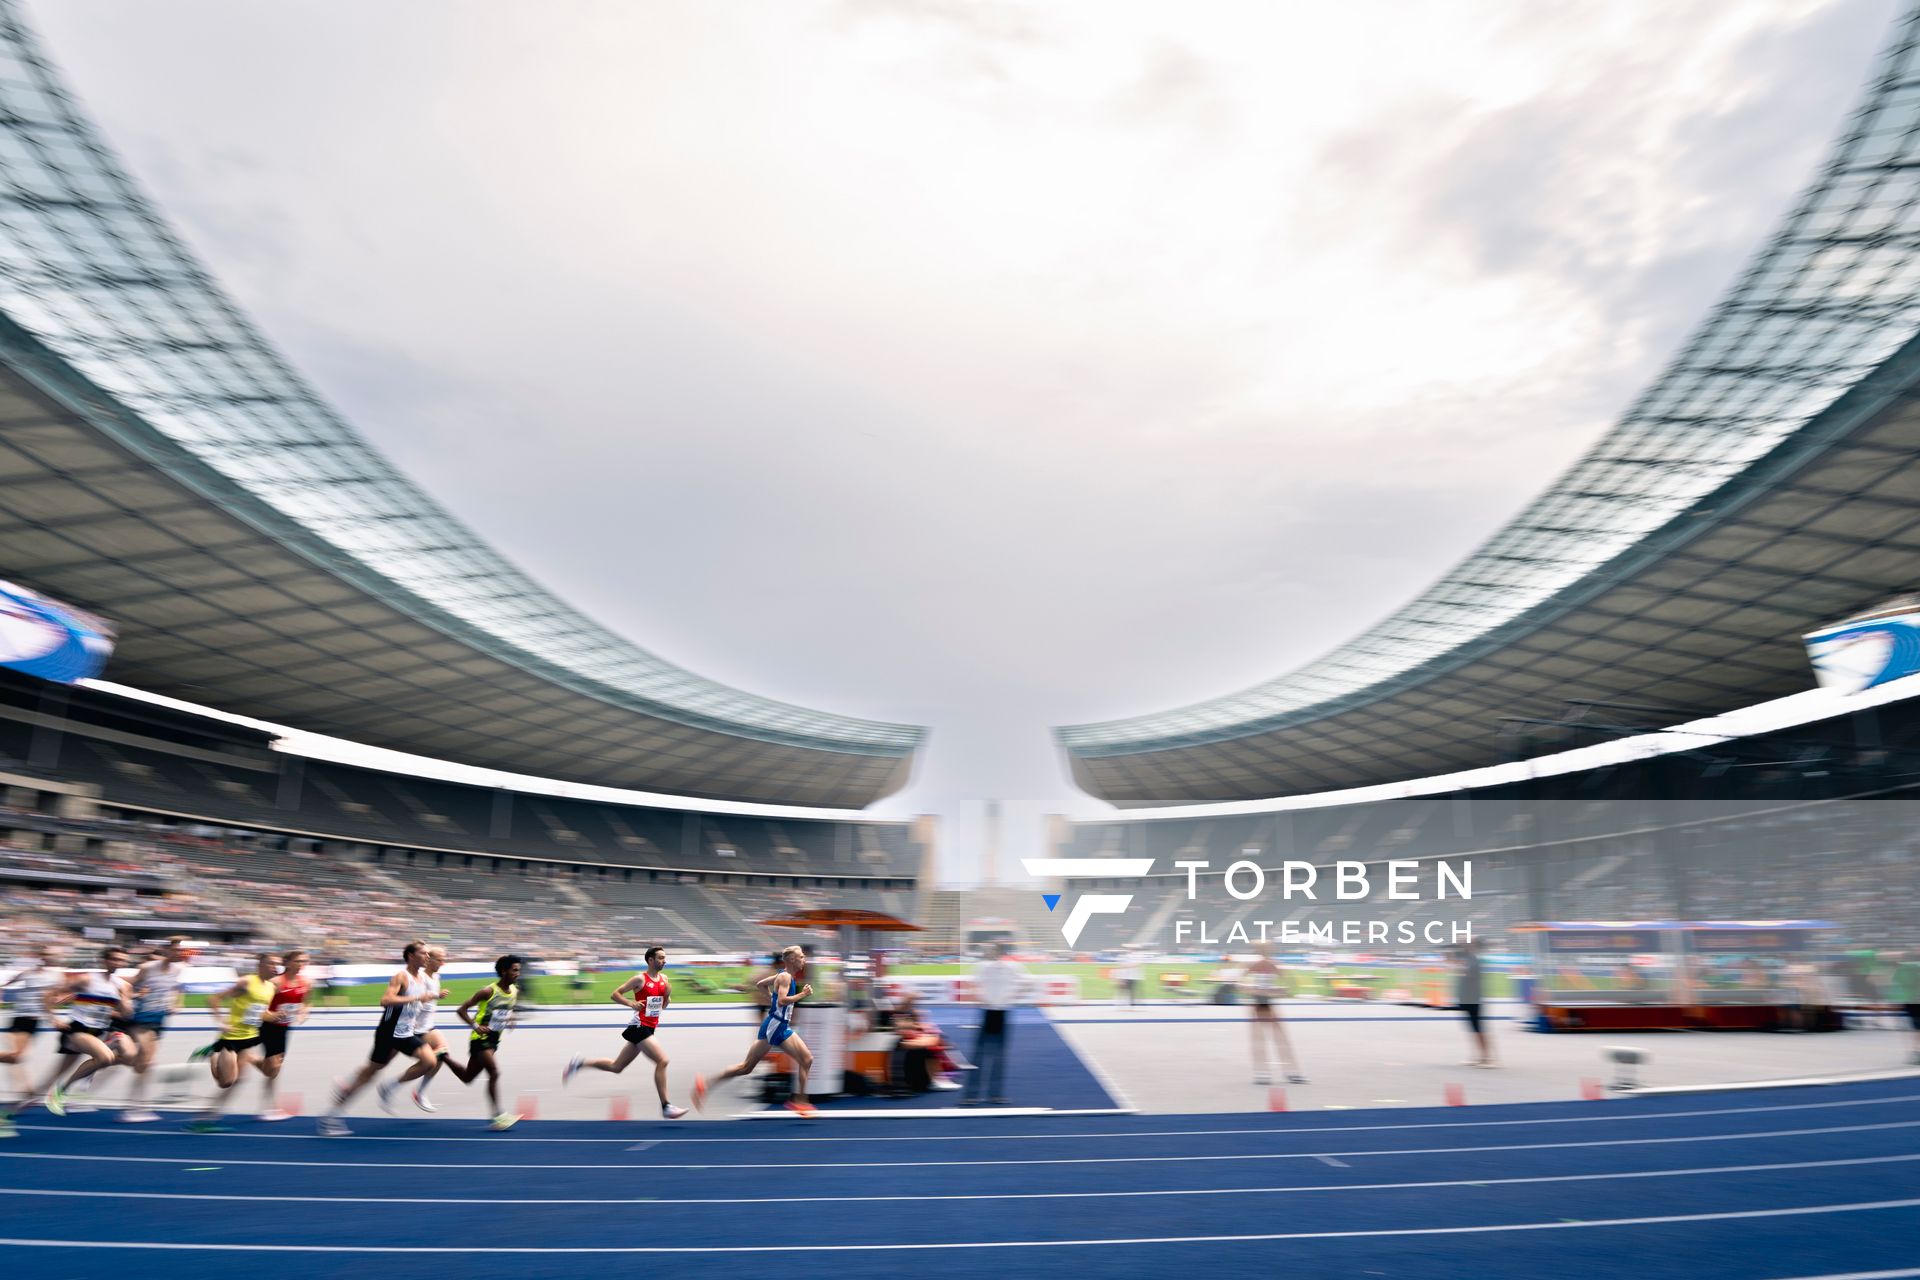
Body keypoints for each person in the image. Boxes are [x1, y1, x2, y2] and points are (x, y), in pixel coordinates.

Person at [319, 940, 445, 1136]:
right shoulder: (401, 976)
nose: (427, 957)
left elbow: (420, 1001)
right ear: (411, 956)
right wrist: (417, 999)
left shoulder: (421, 978)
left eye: (429, 954)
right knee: (373, 1073)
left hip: (405, 1032)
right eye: (423, 953)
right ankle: (331, 1116)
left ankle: (359, 1086)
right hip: (389, 1033)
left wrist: (431, 997)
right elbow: (385, 1001)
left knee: (425, 1061)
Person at [562, 946, 689, 1119]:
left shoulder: (664, 979)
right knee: (663, 1061)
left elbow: (663, 1006)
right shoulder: (639, 979)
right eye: (660, 958)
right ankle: (666, 1106)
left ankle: (580, 1063)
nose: (664, 961)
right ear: (650, 960)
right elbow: (615, 994)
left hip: (649, 1027)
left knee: (616, 1067)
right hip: (639, 1027)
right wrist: (631, 1004)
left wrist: (667, 995)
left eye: (665, 957)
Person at [695, 946, 815, 1116]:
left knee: (806, 1059)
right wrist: (802, 995)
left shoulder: (782, 975)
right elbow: (781, 1001)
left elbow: (760, 985)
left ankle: (800, 1102)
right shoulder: (786, 977)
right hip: (775, 1027)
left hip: (780, 1025)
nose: (805, 960)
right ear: (791, 960)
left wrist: (770, 999)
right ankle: (800, 1102)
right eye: (801, 957)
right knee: (748, 1067)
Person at [16, 945, 132, 1119]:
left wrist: (123, 997)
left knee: (47, 1080)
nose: (118, 963)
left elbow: (126, 1014)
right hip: (76, 1031)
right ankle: (61, 1091)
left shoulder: (121, 985)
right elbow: (49, 995)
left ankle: (9, 1113)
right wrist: (53, 1018)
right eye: (114, 959)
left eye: (121, 960)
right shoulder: (87, 979)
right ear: (104, 960)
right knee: (106, 1058)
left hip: (95, 1033)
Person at [191, 951, 279, 1131]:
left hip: (249, 1038)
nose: (275, 967)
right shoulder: (247, 982)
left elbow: (260, 1012)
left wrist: (275, 1016)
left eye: (277, 964)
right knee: (226, 1082)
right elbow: (214, 999)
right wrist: (220, 1022)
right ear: (260, 965)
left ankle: (207, 1118)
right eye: (271, 963)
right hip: (230, 1038)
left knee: (240, 1079)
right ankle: (212, 1054)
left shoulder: (270, 987)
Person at [447, 953, 524, 1130]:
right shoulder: (488, 991)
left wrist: (511, 1018)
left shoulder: (514, 991)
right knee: (494, 1072)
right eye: (514, 970)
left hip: (494, 1040)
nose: (517, 974)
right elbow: (461, 1010)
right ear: (504, 971)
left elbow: (507, 1008)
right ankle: (498, 1116)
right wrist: (475, 1026)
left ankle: (442, 1056)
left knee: (468, 1077)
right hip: (480, 1039)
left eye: (518, 970)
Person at [380, 945, 461, 1114]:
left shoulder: (436, 976)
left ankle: (418, 1092)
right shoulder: (420, 977)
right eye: (439, 959)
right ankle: (388, 1087)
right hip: (412, 1028)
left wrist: (437, 996)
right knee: (380, 1063)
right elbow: (409, 999)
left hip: (428, 1027)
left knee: (441, 1053)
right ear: (428, 959)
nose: (442, 963)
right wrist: (424, 999)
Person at [120, 935, 191, 1123]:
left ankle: (138, 1106)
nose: (179, 953)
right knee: (146, 1061)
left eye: (180, 950)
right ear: (166, 951)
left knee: (146, 1063)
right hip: (140, 1018)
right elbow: (128, 985)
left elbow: (177, 988)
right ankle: (133, 1108)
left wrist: (176, 1003)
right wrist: (130, 999)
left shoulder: (178, 969)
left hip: (158, 1019)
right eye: (175, 950)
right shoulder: (148, 968)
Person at [965, 941, 1024, 1106]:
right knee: (995, 1055)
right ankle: (992, 1094)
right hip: (998, 1010)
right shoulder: (1011, 967)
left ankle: (973, 1095)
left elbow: (973, 986)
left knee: (982, 1054)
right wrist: (1008, 998)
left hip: (990, 1010)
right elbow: (1025, 984)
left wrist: (985, 999)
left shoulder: (984, 967)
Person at [0, 943, 60, 1099]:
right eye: (46, 955)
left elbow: (55, 998)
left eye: (51, 955)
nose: (48, 958)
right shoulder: (27, 974)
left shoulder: (56, 977)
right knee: (16, 1056)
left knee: (18, 1057)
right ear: (39, 956)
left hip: (36, 1021)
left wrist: (51, 1013)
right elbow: (4, 986)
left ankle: (26, 1089)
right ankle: (27, 1090)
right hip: (21, 1017)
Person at [258, 949, 311, 1121]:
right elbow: (258, 1007)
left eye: (303, 961)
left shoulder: (306, 982)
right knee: (274, 1067)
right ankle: (269, 1107)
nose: (301, 964)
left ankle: (251, 1060)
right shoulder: (276, 983)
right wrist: (271, 1015)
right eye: (297, 961)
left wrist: (304, 1011)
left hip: (283, 1028)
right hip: (266, 1026)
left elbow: (306, 1002)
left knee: (273, 1068)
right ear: (287, 963)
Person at [1244, 945, 1306, 1085]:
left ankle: (1289, 1071)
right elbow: (1239, 984)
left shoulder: (1273, 965)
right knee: (1262, 1038)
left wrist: (1279, 991)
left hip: (1267, 1001)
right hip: (1259, 1002)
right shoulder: (1255, 965)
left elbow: (1291, 985)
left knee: (1278, 1038)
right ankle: (1264, 1072)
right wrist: (1252, 989)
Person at [1456, 938, 1496, 1068]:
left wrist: (1458, 968)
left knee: (1479, 1029)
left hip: (1474, 999)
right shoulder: (1468, 959)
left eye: (1464, 943)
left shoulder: (1474, 960)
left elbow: (1469, 975)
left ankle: (1488, 1058)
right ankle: (1477, 1057)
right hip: (1467, 998)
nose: (1461, 946)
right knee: (1472, 1029)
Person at [1891, 950, 1920, 1065]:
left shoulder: (1900, 969)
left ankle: (1915, 1053)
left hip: (1908, 1000)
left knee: (1916, 1027)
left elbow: (1896, 983)